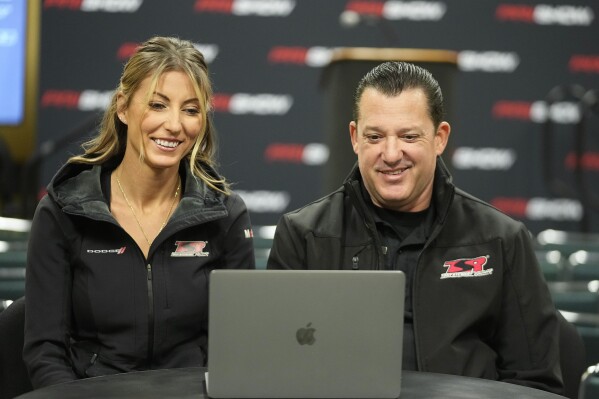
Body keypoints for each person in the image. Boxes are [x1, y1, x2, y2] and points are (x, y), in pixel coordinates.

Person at [267, 62, 563, 394]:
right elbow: (274, 373)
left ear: (440, 138)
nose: (391, 154)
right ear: (354, 138)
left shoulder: (501, 239)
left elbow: (536, 383)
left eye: (409, 136)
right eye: (375, 136)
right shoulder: (303, 236)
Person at [24, 36, 255, 389]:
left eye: (191, 110)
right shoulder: (63, 211)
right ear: (122, 107)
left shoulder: (225, 215)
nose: (175, 125)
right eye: (157, 105)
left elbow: (238, 349)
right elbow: (45, 352)